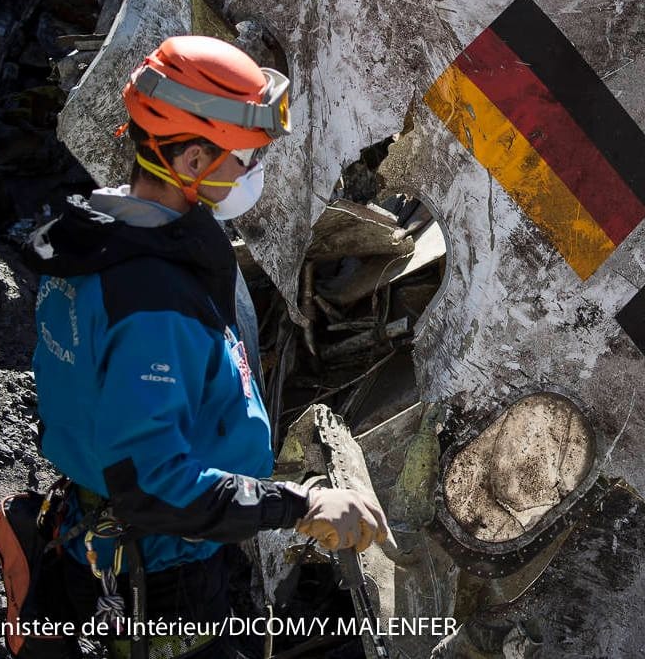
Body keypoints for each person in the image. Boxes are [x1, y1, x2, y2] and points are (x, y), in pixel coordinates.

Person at [25, 35, 393, 658]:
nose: (255, 171)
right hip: (163, 580)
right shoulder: (149, 302)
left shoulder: (100, 239)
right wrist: (302, 504)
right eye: (246, 157)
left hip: (114, 534)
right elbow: (154, 483)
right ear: (192, 162)